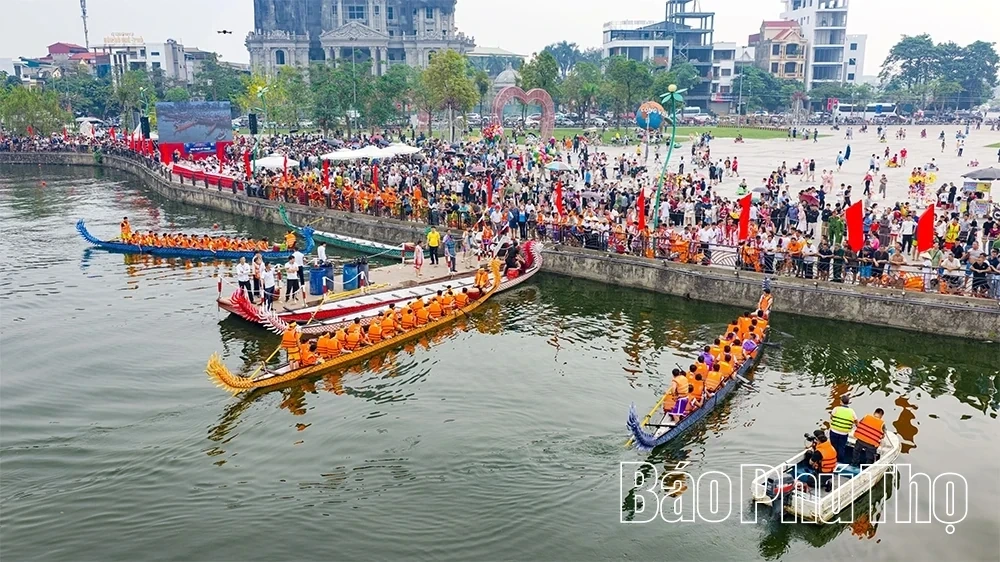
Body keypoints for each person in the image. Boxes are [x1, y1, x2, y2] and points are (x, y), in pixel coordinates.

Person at [829, 395, 857, 462]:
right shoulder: (852, 411)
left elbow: (831, 417)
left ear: (841, 402)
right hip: (844, 433)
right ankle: (840, 461)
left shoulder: (836, 409)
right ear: (848, 402)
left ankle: (832, 459)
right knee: (841, 447)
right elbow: (856, 422)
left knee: (833, 446)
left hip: (834, 431)